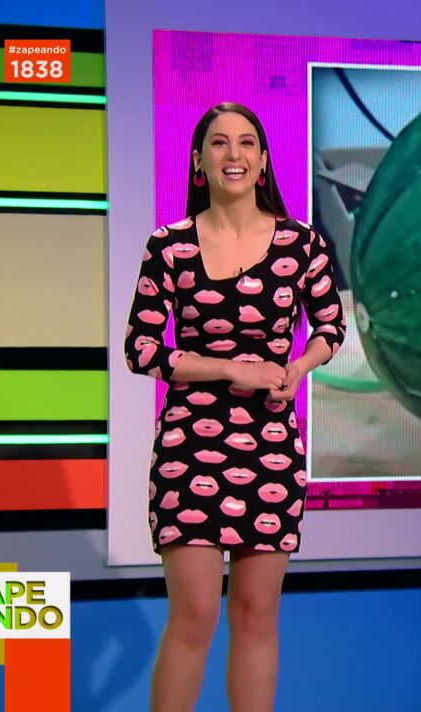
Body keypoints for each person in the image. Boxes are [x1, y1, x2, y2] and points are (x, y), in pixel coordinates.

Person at [124, 101, 345, 712]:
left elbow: (331, 327)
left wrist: (298, 367)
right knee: (195, 614)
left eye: (246, 142)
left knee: (255, 614)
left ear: (263, 161)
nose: (234, 154)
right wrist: (228, 368)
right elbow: (142, 349)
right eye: (219, 143)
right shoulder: (169, 246)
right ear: (198, 161)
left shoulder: (301, 243)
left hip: (270, 446)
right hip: (190, 445)